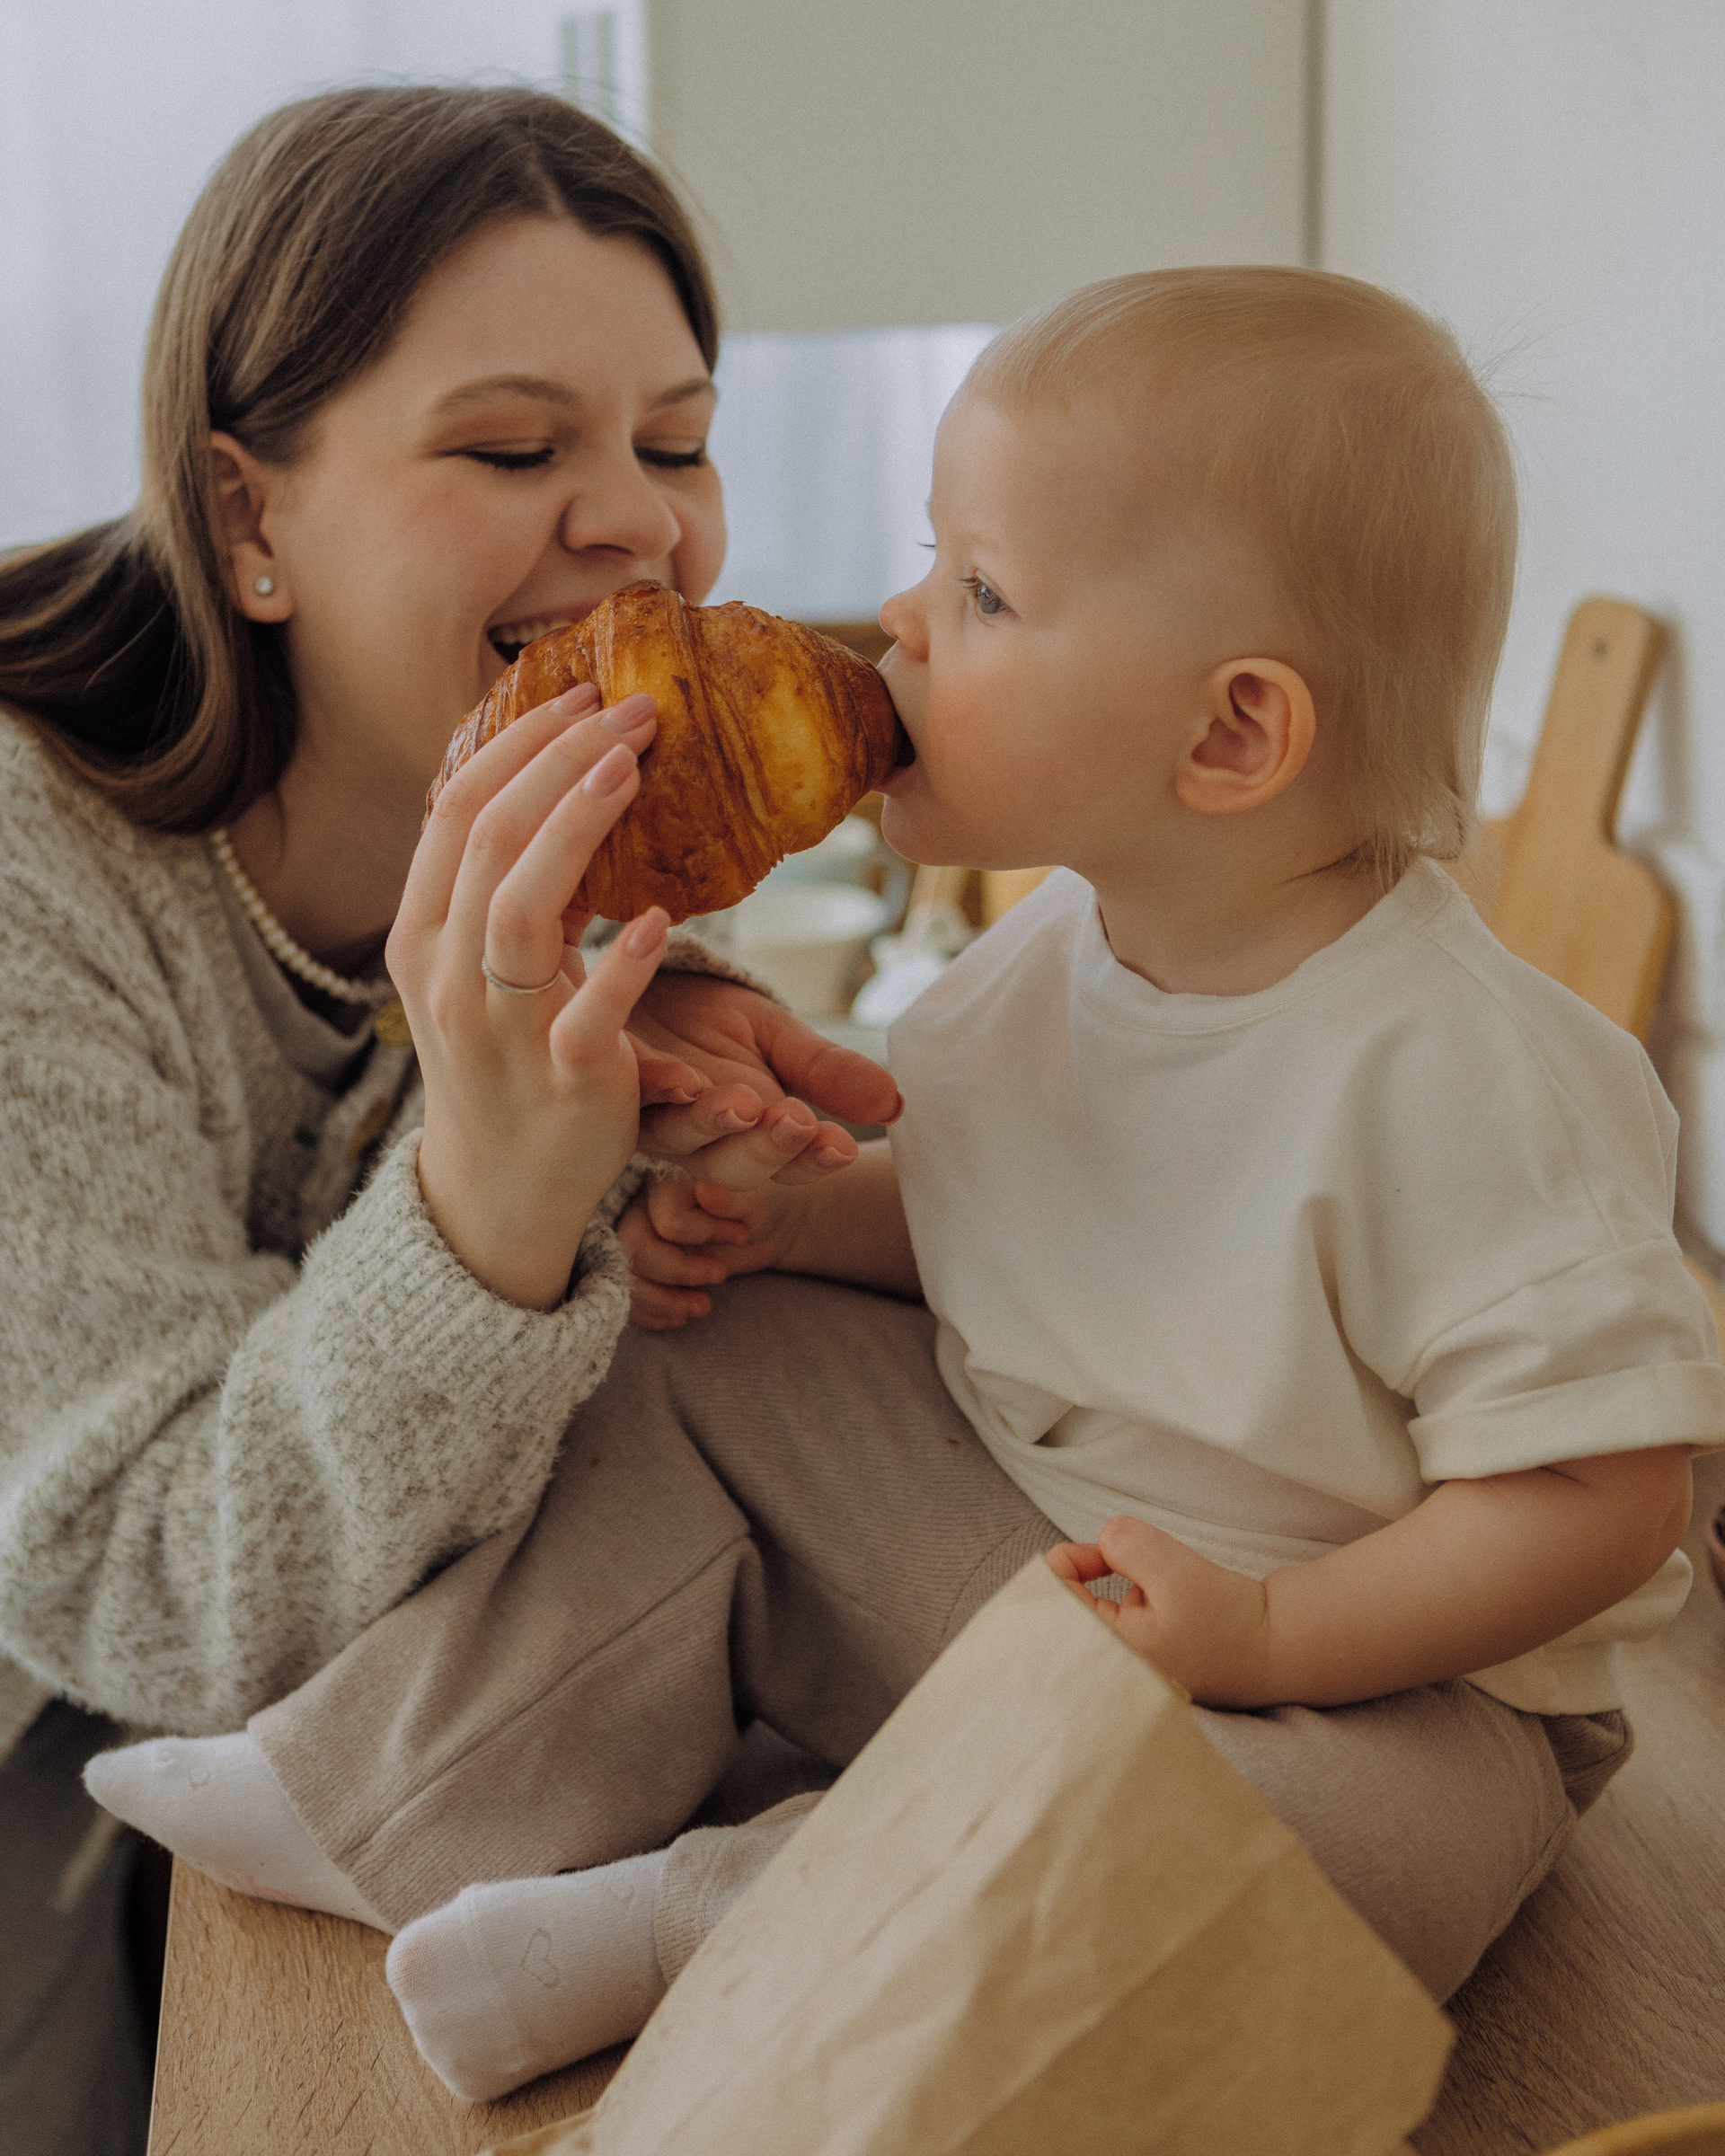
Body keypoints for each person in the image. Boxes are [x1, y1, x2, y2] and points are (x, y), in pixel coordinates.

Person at [93, 268, 1725, 2107]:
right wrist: (797, 1219)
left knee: (1288, 1866)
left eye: (983, 592)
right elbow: (995, 1211)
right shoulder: (1056, 954)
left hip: (1396, 1693)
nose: (898, 620)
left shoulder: (1477, 1079)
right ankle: (388, 1787)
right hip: (1044, 1552)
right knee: (703, 1351)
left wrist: (1273, 1635)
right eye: (934, 561)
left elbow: (1603, 1500)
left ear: (1230, 737)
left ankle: (680, 1928)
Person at [0, 85, 905, 2155]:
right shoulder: (30, 870)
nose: (639, 526)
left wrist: (635, 1131)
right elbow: (142, 1589)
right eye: (512, 450)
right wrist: (491, 1201)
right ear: (246, 517)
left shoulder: (547, 837)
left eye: (677, 443)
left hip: (260, 1747)